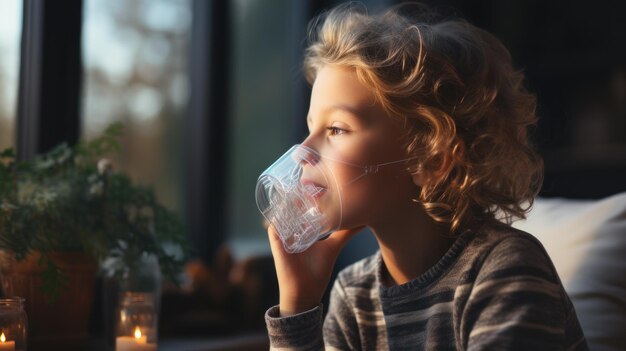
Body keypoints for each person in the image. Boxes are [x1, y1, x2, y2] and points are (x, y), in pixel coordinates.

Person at [263, 3, 588, 350]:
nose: (302, 150)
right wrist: (298, 306)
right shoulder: (354, 296)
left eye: (337, 129)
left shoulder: (502, 269)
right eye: (311, 128)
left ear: (429, 159)